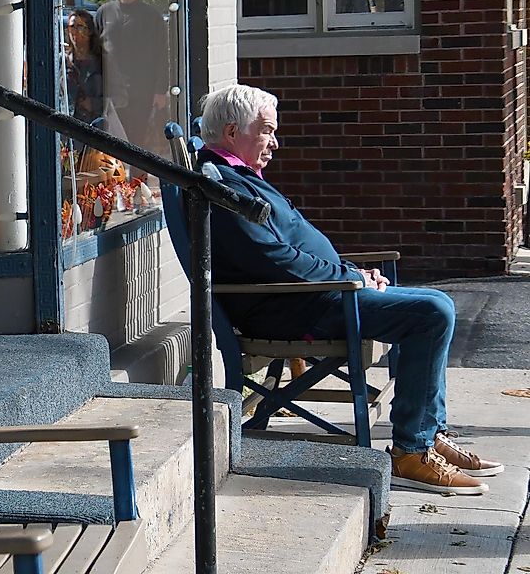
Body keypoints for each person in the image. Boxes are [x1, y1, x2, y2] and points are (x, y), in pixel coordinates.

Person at [197, 84, 503, 495]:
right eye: (267, 131)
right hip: (292, 308)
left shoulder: (239, 177)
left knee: (434, 302)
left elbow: (289, 251)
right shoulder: (222, 187)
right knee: (432, 313)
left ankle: (429, 434)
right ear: (233, 132)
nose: (275, 141)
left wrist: (351, 271)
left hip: (316, 294)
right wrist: (351, 278)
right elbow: (275, 260)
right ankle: (412, 451)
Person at [95, 0, 169, 168]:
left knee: (138, 144)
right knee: (110, 146)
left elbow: (162, 56)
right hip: (111, 92)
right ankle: (115, 190)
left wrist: (160, 91)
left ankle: (138, 188)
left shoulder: (151, 16)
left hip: (141, 92)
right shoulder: (104, 13)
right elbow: (95, 52)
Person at [64, 9, 105, 124]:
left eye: (80, 27)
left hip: (96, 125)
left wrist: (94, 103)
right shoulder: (62, 62)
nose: (75, 32)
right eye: (72, 27)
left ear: (89, 31)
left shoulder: (102, 62)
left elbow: (121, 97)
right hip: (68, 125)